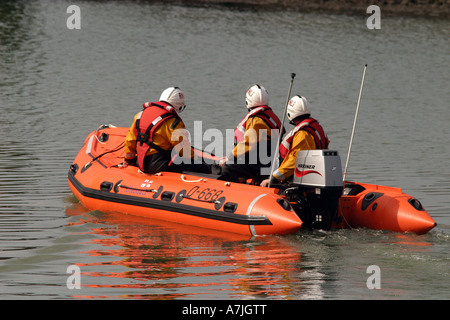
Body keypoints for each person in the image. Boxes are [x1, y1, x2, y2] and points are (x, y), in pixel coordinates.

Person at [123, 87, 212, 174]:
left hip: (140, 162)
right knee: (203, 167)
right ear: (178, 105)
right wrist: (199, 159)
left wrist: (129, 160)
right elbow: (183, 150)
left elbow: (130, 140)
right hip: (159, 164)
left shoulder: (140, 115)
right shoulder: (173, 122)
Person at [218, 84, 283, 183]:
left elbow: (248, 144)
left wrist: (230, 157)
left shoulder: (256, 120)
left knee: (228, 168)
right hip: (270, 162)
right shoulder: (271, 117)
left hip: (261, 165)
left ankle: (237, 190)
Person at [260, 95, 329, 187]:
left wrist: (274, 177)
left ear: (290, 113)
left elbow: (294, 161)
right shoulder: (316, 127)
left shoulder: (302, 134)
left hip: (298, 179)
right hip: (313, 175)